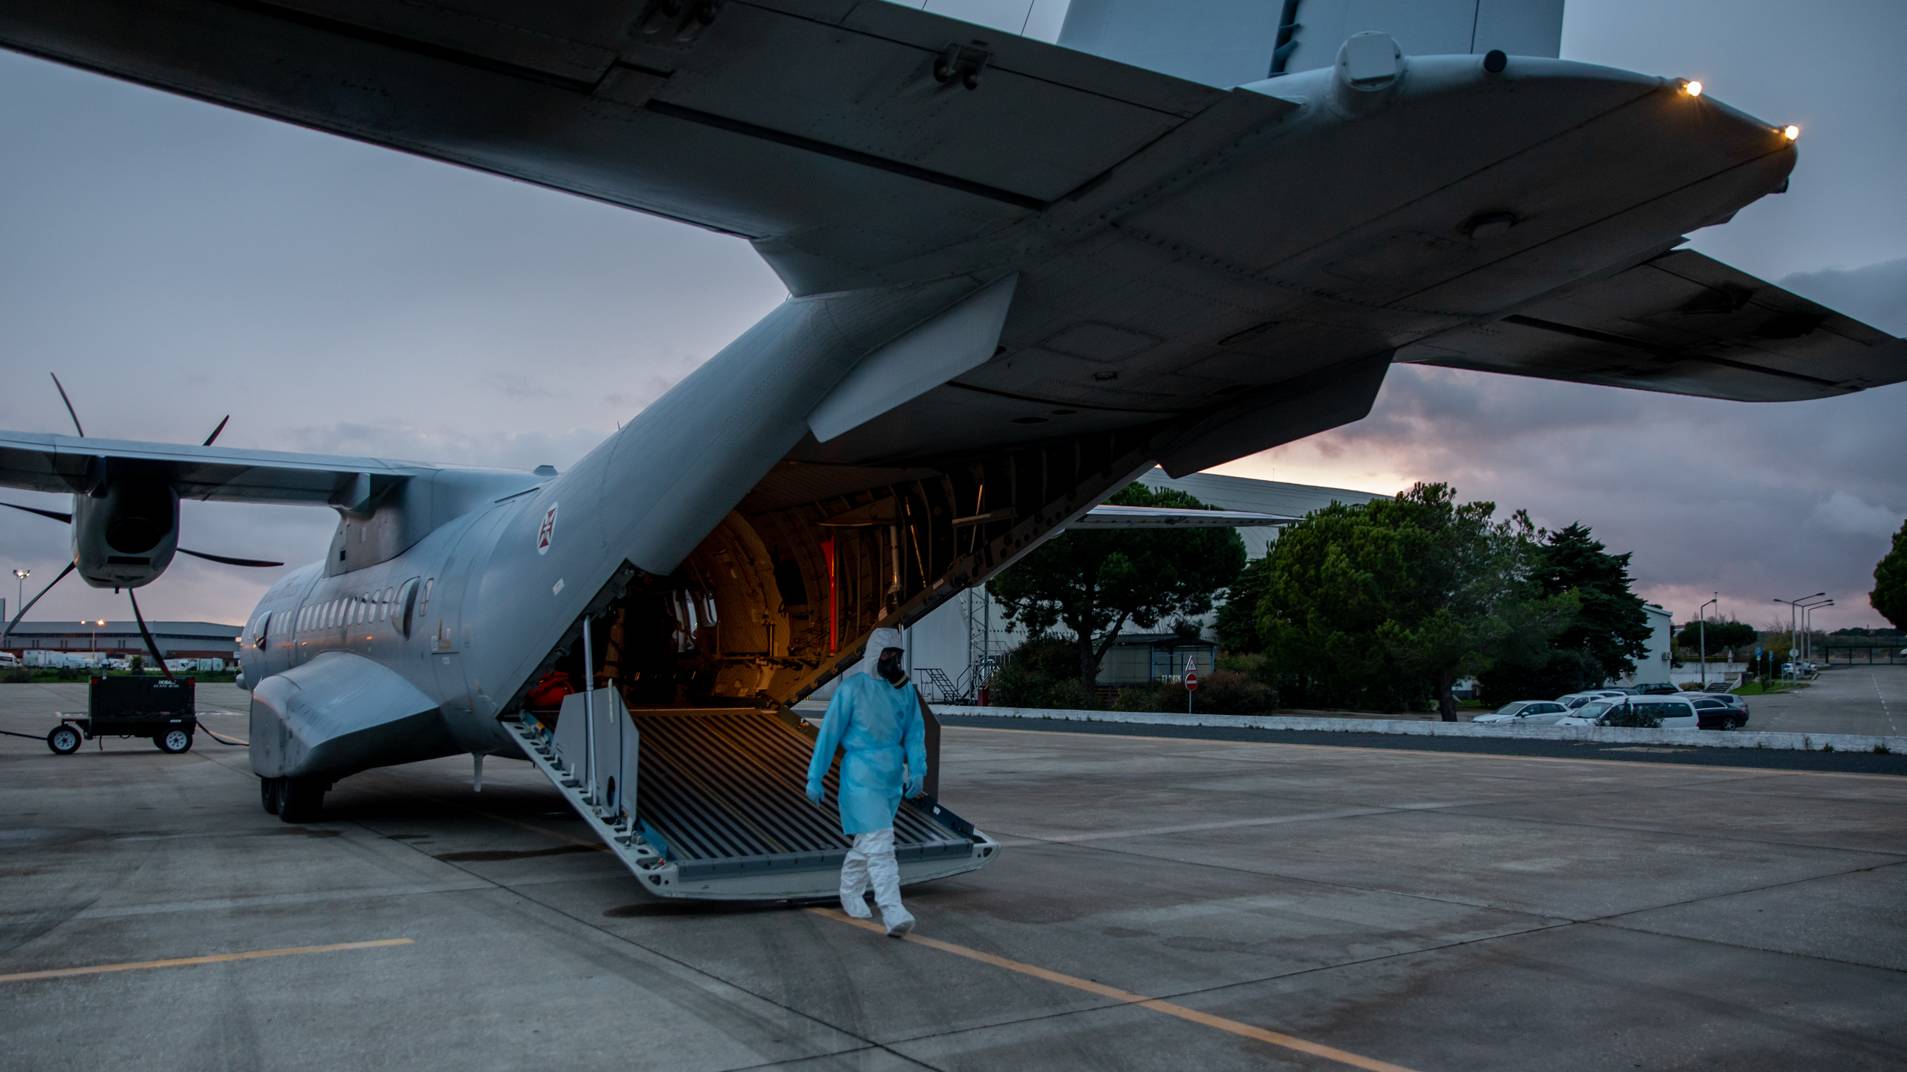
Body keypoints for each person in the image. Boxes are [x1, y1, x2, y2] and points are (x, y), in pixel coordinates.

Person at [805, 627, 927, 937]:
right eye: (887, 655)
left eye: (897, 656)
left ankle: (849, 890)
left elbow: (914, 732)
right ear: (874, 655)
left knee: (868, 844)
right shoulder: (852, 690)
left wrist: (917, 769)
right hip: (860, 777)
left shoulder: (904, 690)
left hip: (889, 779)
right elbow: (829, 734)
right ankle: (893, 910)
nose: (893, 661)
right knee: (881, 843)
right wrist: (815, 776)